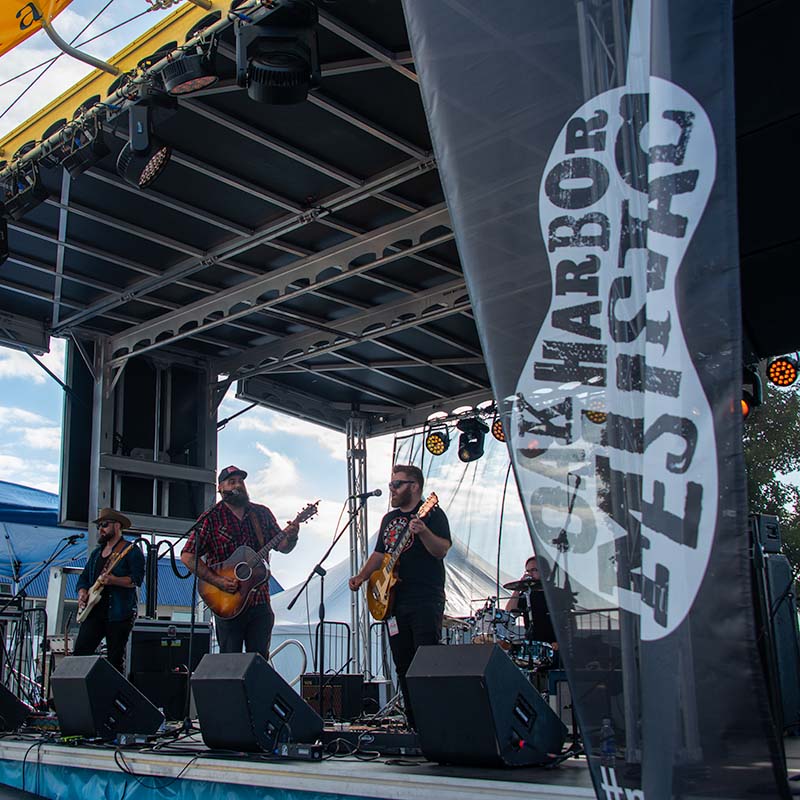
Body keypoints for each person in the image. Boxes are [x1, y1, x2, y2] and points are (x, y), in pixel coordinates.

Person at [349, 464, 451, 730]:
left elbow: (441, 550)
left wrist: (423, 531)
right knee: (402, 662)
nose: (392, 489)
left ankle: (436, 723)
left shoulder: (432, 514)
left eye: (397, 484)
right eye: (392, 484)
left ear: (414, 487)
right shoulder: (389, 519)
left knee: (426, 659)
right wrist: (362, 577)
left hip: (424, 597)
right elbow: (380, 554)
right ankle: (415, 723)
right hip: (395, 601)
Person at [180, 465, 300, 656]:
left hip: (259, 600)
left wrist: (292, 535)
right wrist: (217, 580)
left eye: (241, 481)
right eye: (232, 482)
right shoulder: (211, 518)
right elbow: (187, 556)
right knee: (229, 661)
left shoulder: (261, 514)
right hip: (226, 601)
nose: (238, 485)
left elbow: (283, 547)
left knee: (259, 661)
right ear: (220, 488)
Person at [74, 508, 144, 673]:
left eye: (105, 524)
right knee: (80, 655)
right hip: (93, 612)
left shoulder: (131, 551)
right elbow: (84, 578)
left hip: (119, 614)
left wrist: (114, 580)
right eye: (99, 526)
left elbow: (136, 580)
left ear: (117, 526)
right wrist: (82, 592)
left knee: (115, 660)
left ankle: (114, 697)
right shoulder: (96, 553)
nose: (101, 529)